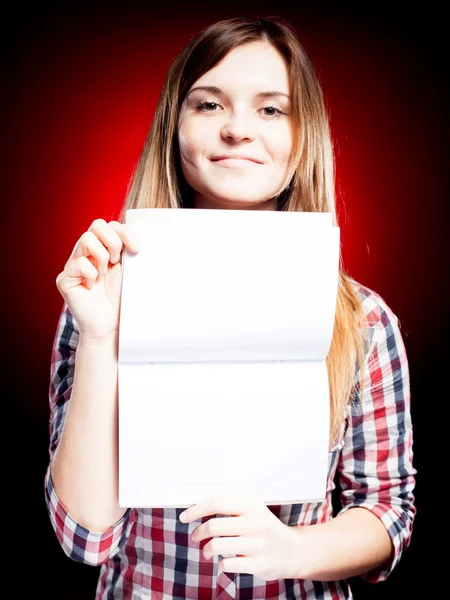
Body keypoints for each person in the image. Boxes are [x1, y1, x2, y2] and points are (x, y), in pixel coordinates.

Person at [45, 15, 416, 600]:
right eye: (209, 104)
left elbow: (387, 511)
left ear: (303, 134)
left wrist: (293, 550)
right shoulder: (101, 298)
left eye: (271, 109)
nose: (238, 130)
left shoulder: (363, 320)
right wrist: (99, 340)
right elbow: (85, 536)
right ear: (176, 127)